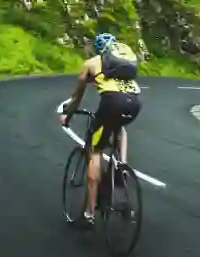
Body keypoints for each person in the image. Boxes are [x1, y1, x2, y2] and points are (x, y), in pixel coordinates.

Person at [60, 33, 142, 227]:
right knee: (118, 126)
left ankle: (89, 214)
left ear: (98, 49)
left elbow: (77, 98)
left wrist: (68, 115)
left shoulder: (91, 63)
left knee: (94, 149)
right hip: (135, 103)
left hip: (112, 103)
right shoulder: (122, 65)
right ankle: (121, 166)